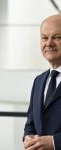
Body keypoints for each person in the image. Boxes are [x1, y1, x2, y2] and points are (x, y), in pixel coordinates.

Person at [23, 14, 61, 150]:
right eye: (44, 37)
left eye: (57, 37)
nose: (49, 43)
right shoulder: (38, 81)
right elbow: (30, 123)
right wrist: (28, 136)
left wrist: (54, 142)